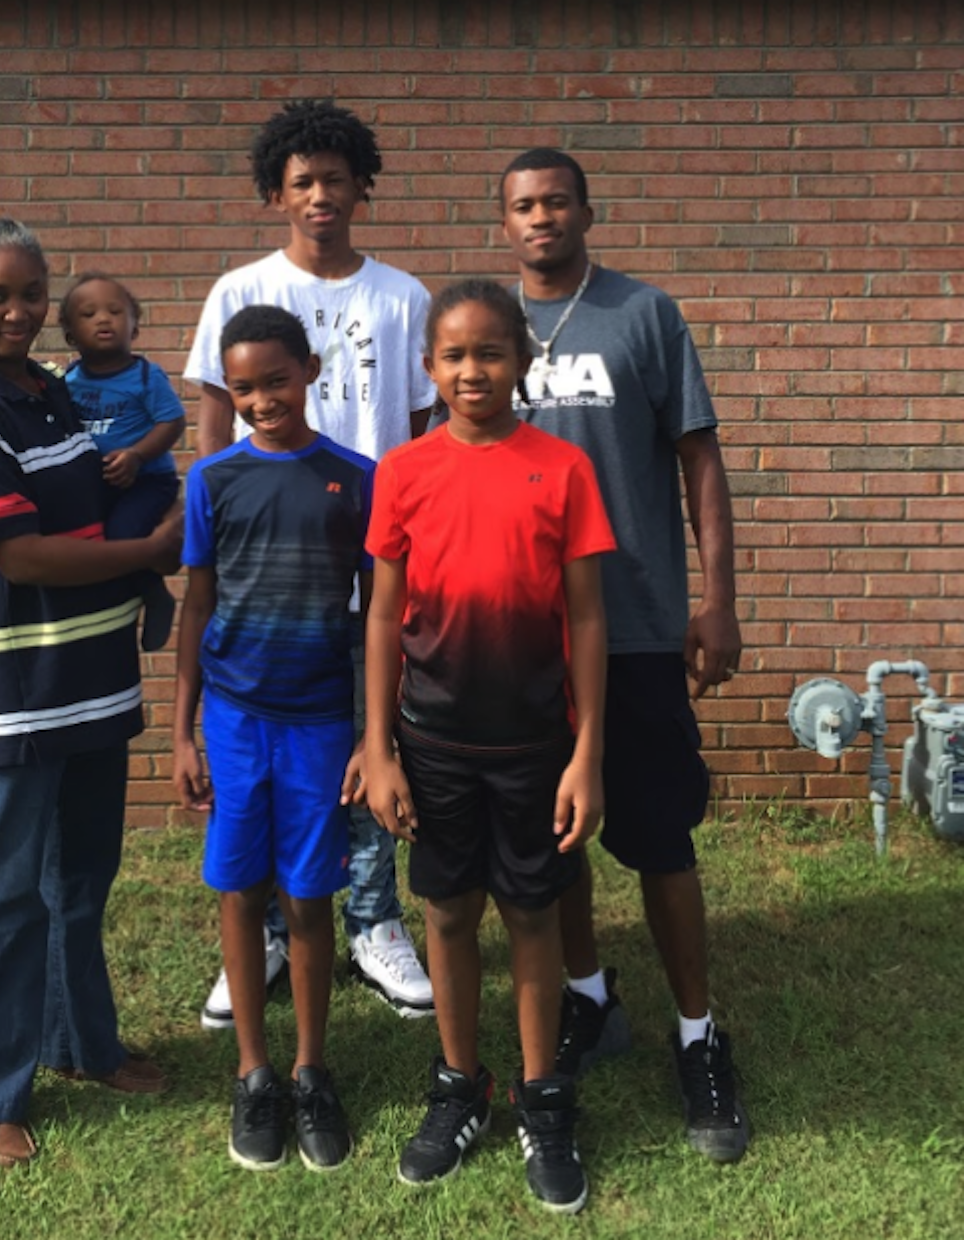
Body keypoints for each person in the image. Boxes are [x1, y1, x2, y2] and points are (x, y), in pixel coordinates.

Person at [494, 147, 749, 1162]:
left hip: (637, 620)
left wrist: (718, 601)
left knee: (656, 838)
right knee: (551, 838)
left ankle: (698, 1033)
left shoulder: (643, 315)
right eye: (521, 205)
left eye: (555, 200)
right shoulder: (482, 329)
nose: (539, 217)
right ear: (502, 223)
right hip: (521, 636)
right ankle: (590, 998)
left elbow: (699, 461)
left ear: (586, 212)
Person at [0, 217, 181, 1169]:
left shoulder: (55, 395)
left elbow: (110, 490)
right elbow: (18, 553)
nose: (22, 311)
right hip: (16, 687)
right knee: (6, 889)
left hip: (91, 678)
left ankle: (81, 1044)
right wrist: (149, 553)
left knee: (80, 880)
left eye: (33, 293)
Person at [183, 97, 436, 1028]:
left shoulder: (402, 297)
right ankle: (271, 938)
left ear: (361, 186)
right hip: (265, 558)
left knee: (364, 740)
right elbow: (214, 432)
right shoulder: (237, 290)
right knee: (261, 761)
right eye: (301, 182)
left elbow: (414, 431)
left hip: (361, 547)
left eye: (335, 179)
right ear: (274, 193)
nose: (320, 195)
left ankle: (372, 919)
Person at [366, 279, 615, 1213]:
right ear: (429, 367)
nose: (474, 371)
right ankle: (460, 1085)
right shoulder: (403, 471)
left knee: (533, 916)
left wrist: (587, 750)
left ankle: (543, 1100)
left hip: (534, 745)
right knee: (446, 915)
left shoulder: (562, 467)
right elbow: (385, 615)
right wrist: (380, 746)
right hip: (432, 741)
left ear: (523, 361)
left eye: (492, 353)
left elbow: (587, 618)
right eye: (455, 356)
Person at [173, 305, 371, 1172]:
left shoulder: (358, 477)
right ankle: (254, 1073)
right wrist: (182, 730)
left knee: (309, 899)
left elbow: (379, 618)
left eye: (276, 381)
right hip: (236, 719)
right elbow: (197, 602)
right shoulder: (211, 481)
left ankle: (310, 1068)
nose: (260, 400)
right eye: (243, 387)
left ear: (311, 371)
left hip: (323, 721)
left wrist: (374, 734)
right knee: (241, 892)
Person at [60, 272, 183, 652]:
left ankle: (154, 594)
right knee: (87, 546)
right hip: (97, 483)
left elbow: (172, 421)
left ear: (135, 326)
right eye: (89, 313)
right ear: (69, 334)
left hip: (147, 481)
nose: (103, 319)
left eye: (115, 311)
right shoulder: (68, 381)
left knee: (123, 536)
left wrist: (137, 455)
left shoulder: (146, 376)